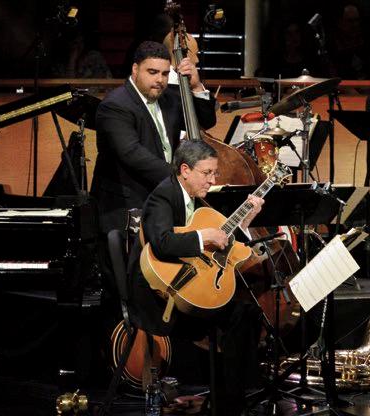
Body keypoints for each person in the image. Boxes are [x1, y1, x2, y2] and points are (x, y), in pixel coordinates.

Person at [135, 139, 264, 416]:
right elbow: (161, 243)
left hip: (189, 286)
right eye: (207, 173)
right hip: (162, 298)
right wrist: (201, 237)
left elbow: (222, 242)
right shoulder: (162, 196)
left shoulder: (197, 198)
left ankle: (228, 398)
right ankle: (230, 405)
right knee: (240, 315)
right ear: (185, 170)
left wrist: (244, 223)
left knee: (249, 309)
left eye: (214, 173)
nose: (213, 180)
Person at [92, 40, 217, 236]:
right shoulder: (115, 105)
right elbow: (132, 153)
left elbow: (206, 121)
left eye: (165, 74)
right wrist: (181, 178)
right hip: (126, 205)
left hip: (161, 200)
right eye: (152, 72)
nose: (160, 79)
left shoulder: (169, 98)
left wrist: (196, 86)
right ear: (135, 69)